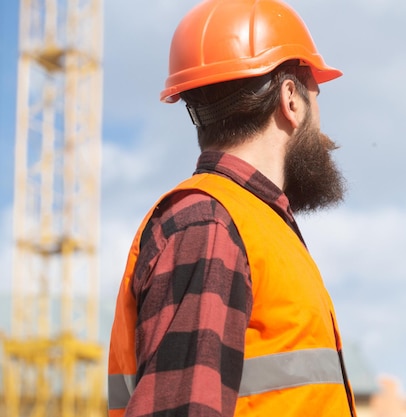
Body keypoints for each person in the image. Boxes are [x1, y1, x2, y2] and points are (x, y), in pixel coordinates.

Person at [107, 0, 356, 416]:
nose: (323, 130)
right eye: (316, 97)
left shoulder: (251, 224)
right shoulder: (208, 223)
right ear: (291, 100)